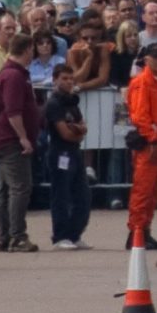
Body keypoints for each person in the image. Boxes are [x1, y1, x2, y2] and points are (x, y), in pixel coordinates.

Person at [0, 33, 40, 253]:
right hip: (10, 140)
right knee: (19, 188)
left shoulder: (12, 73)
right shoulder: (14, 76)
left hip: (4, 138)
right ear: (27, 49)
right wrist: (23, 137)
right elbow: (13, 111)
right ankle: (17, 235)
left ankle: (4, 235)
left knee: (6, 189)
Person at [124, 43, 157, 251]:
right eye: (156, 56)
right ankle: (137, 232)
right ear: (146, 59)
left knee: (154, 192)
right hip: (149, 145)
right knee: (143, 191)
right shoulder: (142, 83)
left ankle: (144, 230)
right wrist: (154, 137)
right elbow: (140, 116)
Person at [43, 77, 91, 251]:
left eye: (71, 78)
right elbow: (64, 133)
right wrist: (76, 131)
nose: (70, 82)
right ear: (56, 80)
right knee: (61, 195)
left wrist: (77, 130)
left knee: (83, 195)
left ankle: (74, 234)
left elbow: (83, 126)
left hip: (75, 151)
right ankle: (60, 236)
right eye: (64, 78)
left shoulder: (72, 102)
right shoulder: (54, 104)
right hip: (59, 152)